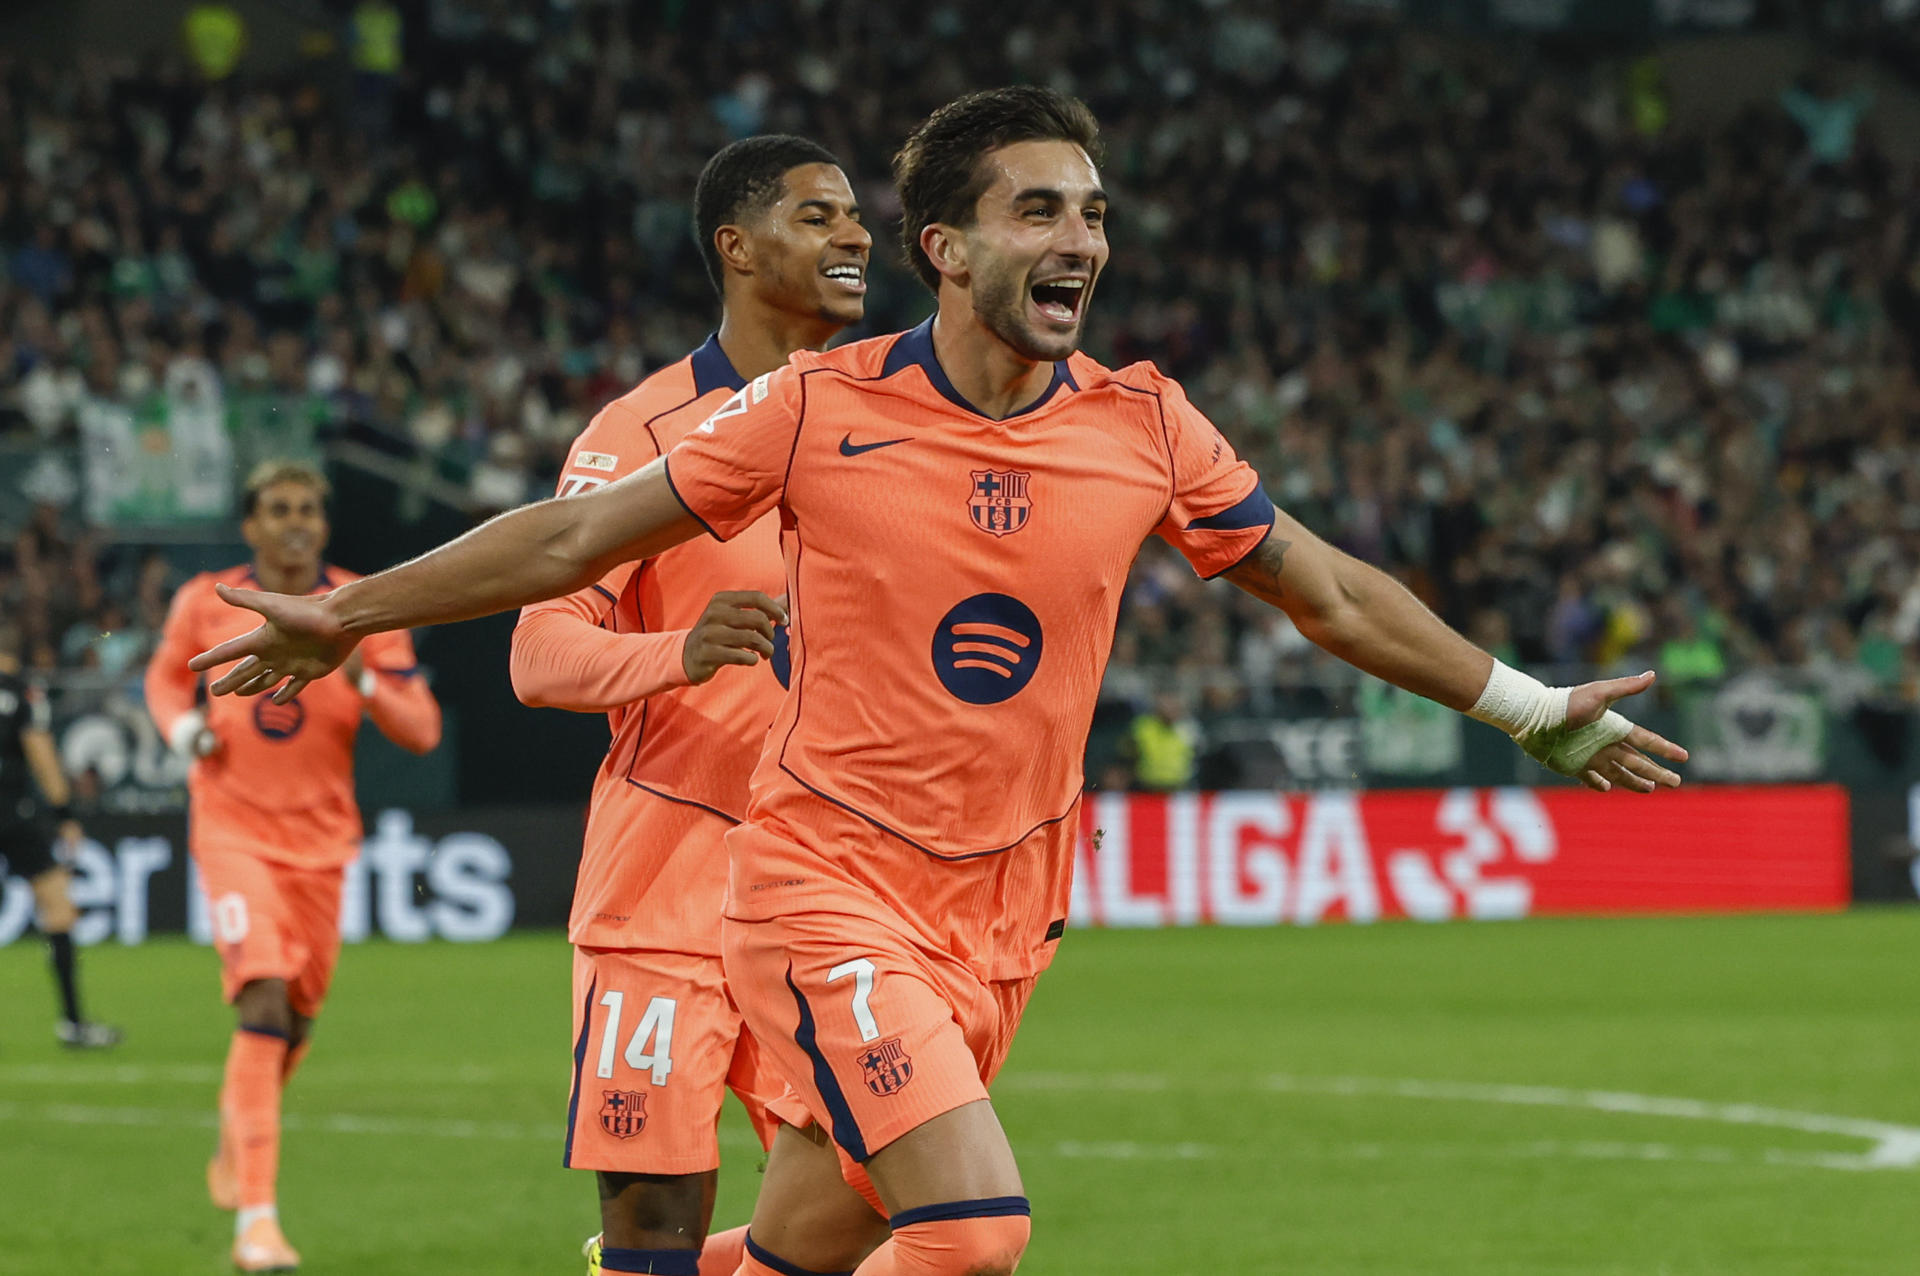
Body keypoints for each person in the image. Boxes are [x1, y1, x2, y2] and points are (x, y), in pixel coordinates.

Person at [187, 87, 1688, 1276]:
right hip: (823, 885)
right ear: (948, 249)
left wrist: (1524, 706)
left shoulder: (1146, 425)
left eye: (1095, 214)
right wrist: (352, 610)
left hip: (1008, 915)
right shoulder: (815, 409)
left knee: (795, 1251)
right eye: (1038, 210)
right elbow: (577, 534)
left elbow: (1329, 590)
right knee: (972, 1233)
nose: (1082, 241)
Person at [507, 135, 889, 1276]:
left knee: (872, 1204)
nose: (856, 235)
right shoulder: (642, 435)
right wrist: (677, 653)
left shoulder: (888, 423)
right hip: (664, 888)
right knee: (655, 1223)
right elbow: (540, 651)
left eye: (856, 214)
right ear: (737, 245)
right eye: (819, 216)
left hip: (824, 891)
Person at [146, 461, 442, 1273]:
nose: (295, 523)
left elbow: (421, 729)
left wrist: (361, 675)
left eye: (309, 509)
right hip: (232, 828)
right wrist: (183, 737)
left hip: (322, 845)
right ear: (250, 525)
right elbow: (165, 683)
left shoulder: (367, 604)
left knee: (293, 1026)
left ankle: (238, 1135)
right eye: (278, 509)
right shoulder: (205, 599)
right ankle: (257, 1226)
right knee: (265, 1002)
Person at [0, 623, 121, 1049]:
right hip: (15, 814)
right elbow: (41, 753)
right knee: (58, 908)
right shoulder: (22, 691)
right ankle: (72, 1023)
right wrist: (64, 813)